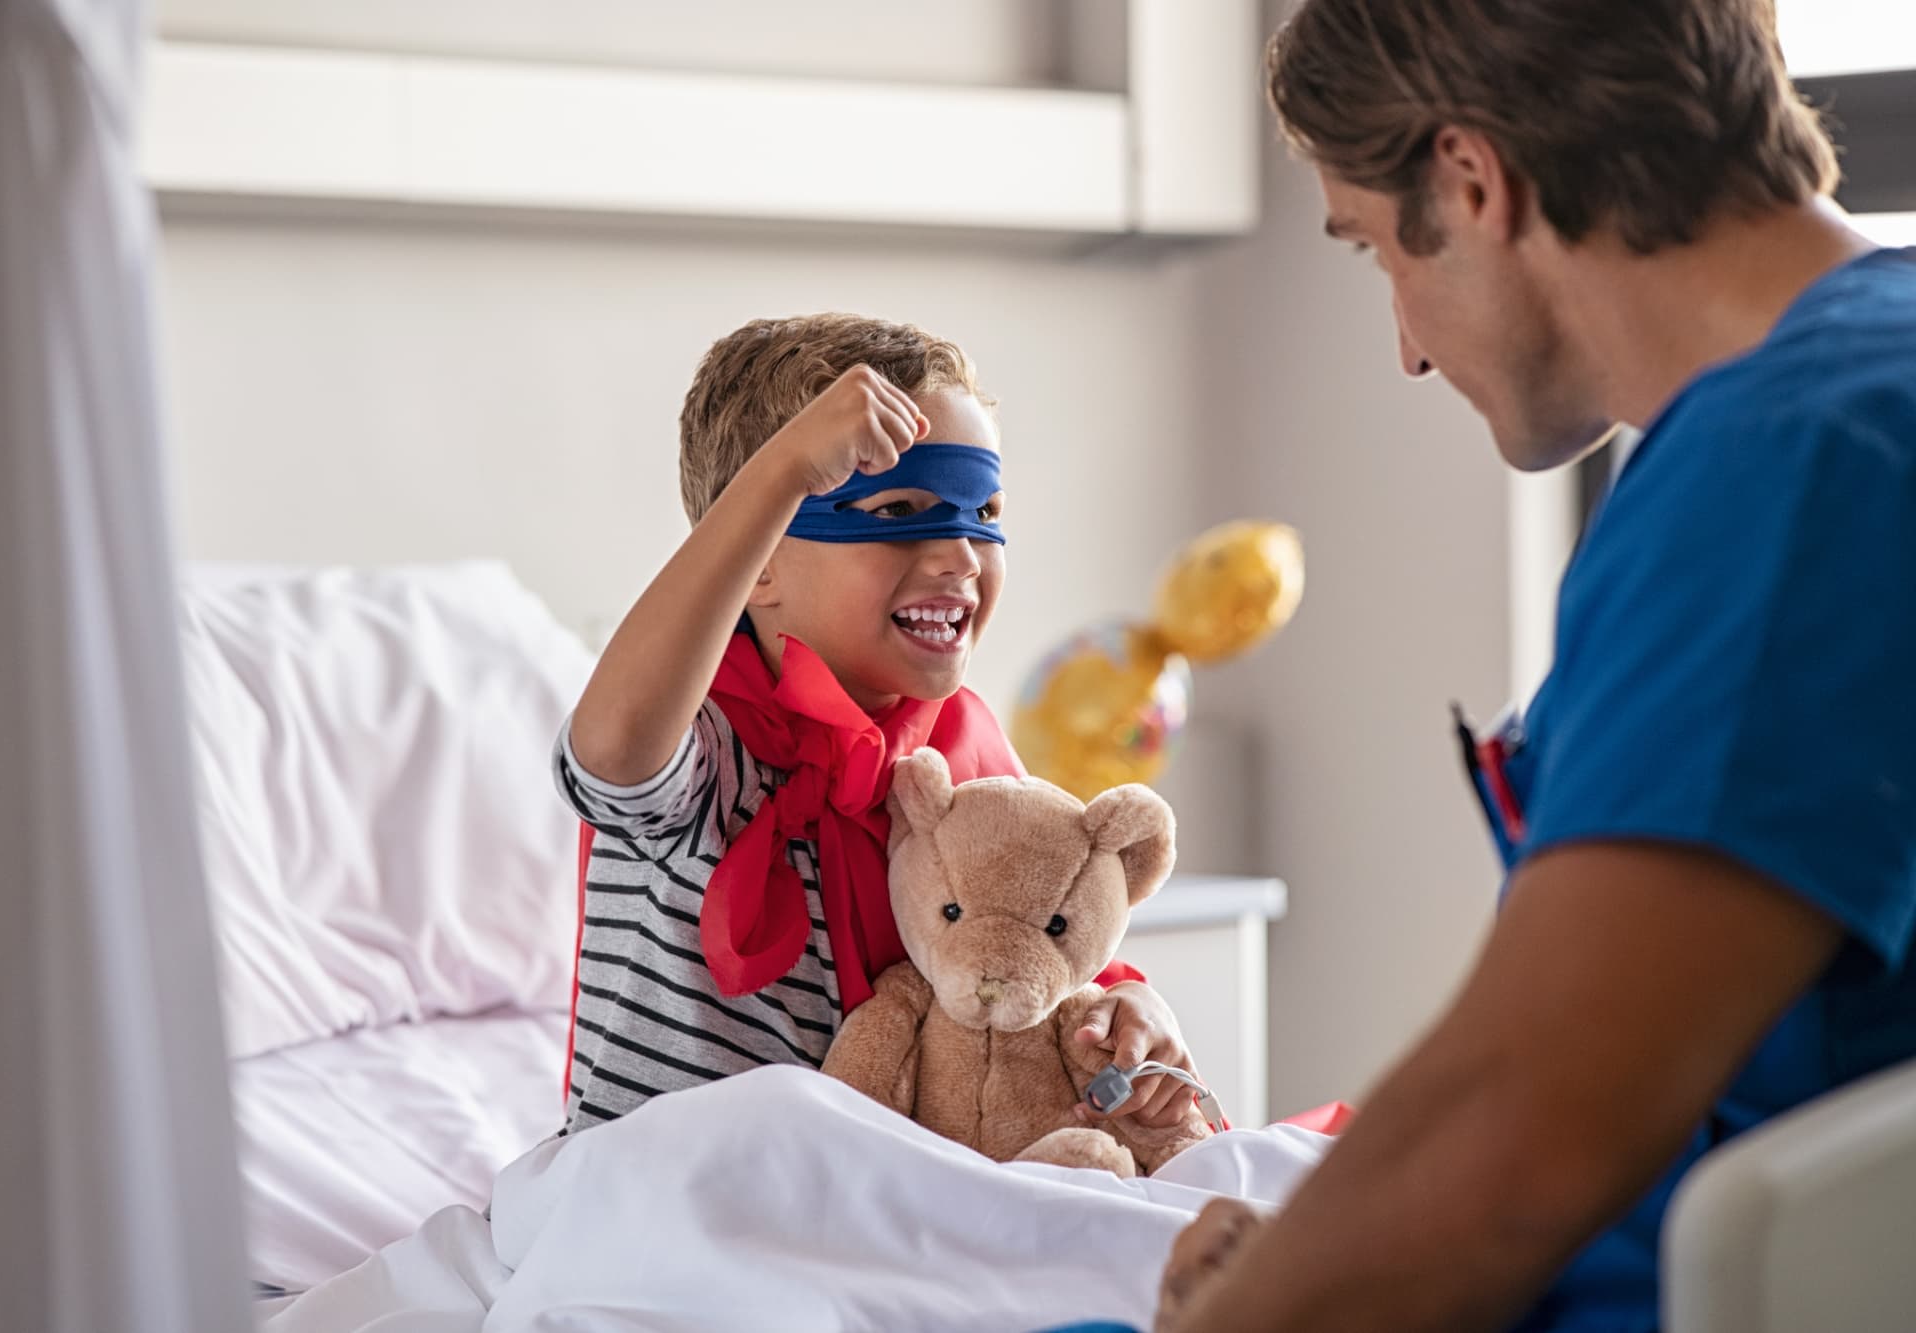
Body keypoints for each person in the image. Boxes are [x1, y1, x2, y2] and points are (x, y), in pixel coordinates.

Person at [1157, 2, 1916, 1330]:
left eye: (1379, 250)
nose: (1405, 344)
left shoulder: (1786, 468)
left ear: (1469, 180)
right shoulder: (1865, 388)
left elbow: (1517, 1148)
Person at [553, 313, 1198, 1136]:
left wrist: (1127, 1008)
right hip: (665, 1195)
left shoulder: (963, 752)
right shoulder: (704, 742)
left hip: (875, 1195)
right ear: (760, 562)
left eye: (984, 510)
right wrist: (781, 470)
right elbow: (610, 750)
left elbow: (1037, 954)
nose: (962, 552)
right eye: (897, 510)